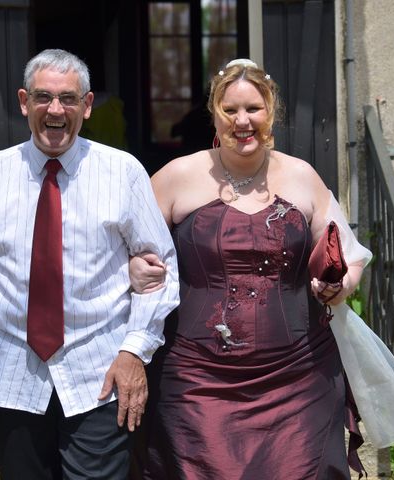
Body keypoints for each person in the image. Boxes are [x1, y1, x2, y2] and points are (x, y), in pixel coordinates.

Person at [0, 49, 179, 480]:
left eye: (68, 98)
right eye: (44, 97)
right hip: (8, 380)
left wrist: (135, 351)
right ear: (24, 102)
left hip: (100, 378)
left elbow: (162, 272)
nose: (55, 110)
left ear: (86, 105)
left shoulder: (123, 173)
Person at [128, 59, 373, 479]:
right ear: (215, 114)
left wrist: (341, 285)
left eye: (254, 109)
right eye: (231, 110)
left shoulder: (302, 176)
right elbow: (124, 251)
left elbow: (348, 257)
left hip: (299, 374)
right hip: (196, 377)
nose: (243, 121)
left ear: (270, 112)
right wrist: (133, 269)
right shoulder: (174, 177)